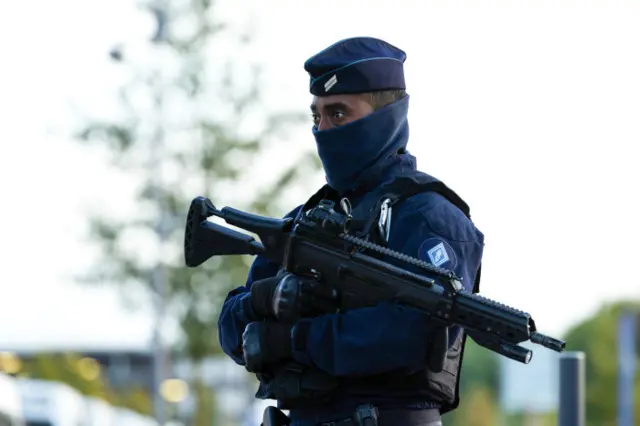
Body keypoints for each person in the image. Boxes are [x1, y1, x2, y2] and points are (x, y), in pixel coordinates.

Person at [217, 36, 485, 426]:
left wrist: (295, 339)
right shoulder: (305, 221)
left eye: (339, 114)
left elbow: (410, 334)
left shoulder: (430, 218)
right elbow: (232, 330)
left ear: (386, 116)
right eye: (317, 116)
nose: (324, 129)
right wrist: (262, 301)